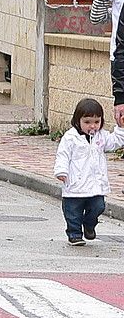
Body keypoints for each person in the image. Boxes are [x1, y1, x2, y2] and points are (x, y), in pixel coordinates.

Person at [57, 98, 124, 246]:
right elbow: (63, 155)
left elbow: (115, 142)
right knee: (73, 212)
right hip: (75, 184)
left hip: (95, 185)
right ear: (77, 121)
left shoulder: (102, 136)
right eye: (87, 122)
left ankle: (89, 224)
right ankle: (74, 234)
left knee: (98, 206)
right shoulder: (71, 138)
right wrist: (61, 171)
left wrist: (120, 128)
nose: (92, 126)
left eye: (96, 122)